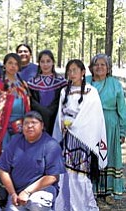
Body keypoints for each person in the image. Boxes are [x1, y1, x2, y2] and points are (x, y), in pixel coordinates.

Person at [53, 59, 108, 211]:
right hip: (67, 138)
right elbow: (60, 113)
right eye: (69, 71)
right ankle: (65, 205)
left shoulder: (91, 92)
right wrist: (63, 124)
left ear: (83, 72)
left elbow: (93, 116)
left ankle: (82, 207)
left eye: (75, 70)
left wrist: (75, 125)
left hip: (84, 139)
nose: (72, 73)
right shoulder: (65, 91)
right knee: (67, 174)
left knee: (80, 175)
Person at [0, 111, 66, 211]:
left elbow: (52, 177)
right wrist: (12, 193)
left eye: (34, 123)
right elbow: (4, 170)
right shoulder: (15, 141)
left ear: (42, 125)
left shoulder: (51, 145)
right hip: (17, 194)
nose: (30, 126)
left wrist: (27, 192)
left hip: (41, 191)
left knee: (37, 204)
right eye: (26, 123)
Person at [87, 54, 126, 203]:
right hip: (90, 124)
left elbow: (122, 109)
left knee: (108, 155)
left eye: (103, 64)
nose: (100, 67)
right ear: (91, 67)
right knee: (92, 156)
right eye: (97, 64)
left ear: (108, 68)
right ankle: (93, 190)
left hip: (110, 124)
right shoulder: (86, 81)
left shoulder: (115, 84)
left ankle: (108, 191)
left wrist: (122, 130)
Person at [0, 53, 31, 161]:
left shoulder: (22, 84)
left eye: (16, 64)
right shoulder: (0, 84)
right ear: (4, 65)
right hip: (5, 123)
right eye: (10, 63)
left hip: (21, 123)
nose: (13, 66)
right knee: (6, 151)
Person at [27, 50, 67, 135]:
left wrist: (50, 112)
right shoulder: (32, 83)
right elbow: (32, 101)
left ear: (53, 62)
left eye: (48, 61)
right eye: (42, 62)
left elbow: (60, 100)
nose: (45, 64)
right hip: (38, 118)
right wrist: (44, 112)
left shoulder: (61, 82)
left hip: (56, 118)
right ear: (39, 63)